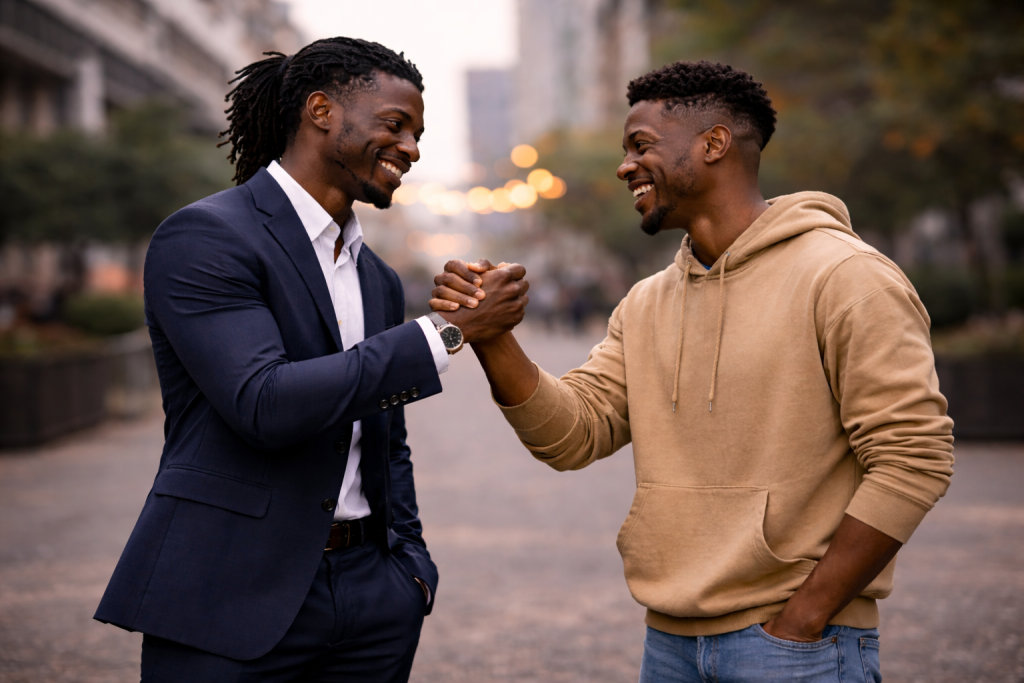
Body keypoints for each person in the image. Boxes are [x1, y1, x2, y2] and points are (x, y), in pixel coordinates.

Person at [430, 60, 954, 682]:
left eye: (641, 146)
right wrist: (492, 336)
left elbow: (913, 455)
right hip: (669, 642)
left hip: (797, 646)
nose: (625, 166)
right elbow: (572, 436)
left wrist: (805, 618)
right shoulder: (647, 301)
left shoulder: (845, 277)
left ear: (713, 144)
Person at [94, 37, 528, 682]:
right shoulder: (207, 236)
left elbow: (385, 441)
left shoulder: (376, 276)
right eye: (395, 125)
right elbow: (264, 403)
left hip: (372, 601)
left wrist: (408, 568)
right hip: (228, 593)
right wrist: (444, 333)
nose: (411, 148)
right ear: (321, 111)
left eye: (417, 133)